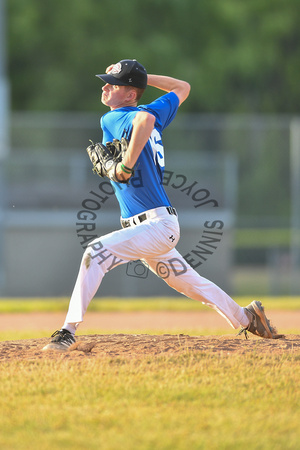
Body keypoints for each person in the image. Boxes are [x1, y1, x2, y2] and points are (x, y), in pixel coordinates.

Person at [43, 59, 279, 351]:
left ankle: (67, 331)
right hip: (156, 227)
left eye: (114, 84)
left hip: (154, 226)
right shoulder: (154, 109)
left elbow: (144, 122)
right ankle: (247, 317)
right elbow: (182, 87)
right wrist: (138, 79)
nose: (105, 87)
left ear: (130, 94)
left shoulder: (115, 117)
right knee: (190, 284)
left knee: (96, 253)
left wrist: (126, 165)